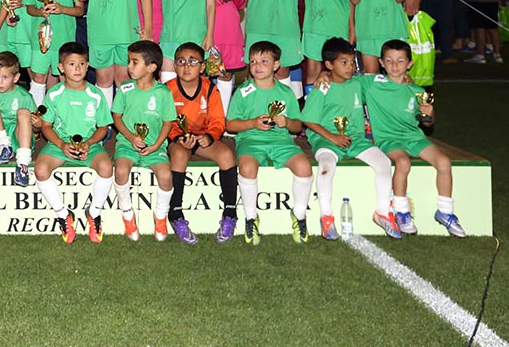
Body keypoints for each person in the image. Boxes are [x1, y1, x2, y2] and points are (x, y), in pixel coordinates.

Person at [364, 40, 465, 237]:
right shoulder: (371, 83)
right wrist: (324, 74)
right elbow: (344, 79)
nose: (394, 65)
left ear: (409, 64)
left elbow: (427, 124)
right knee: (402, 162)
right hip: (388, 139)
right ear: (381, 63)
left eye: (400, 61)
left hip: (414, 137)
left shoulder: (418, 91)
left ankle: (445, 211)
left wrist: (430, 113)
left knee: (444, 162)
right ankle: (401, 211)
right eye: (389, 60)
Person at [304, 38, 401, 240]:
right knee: (326, 166)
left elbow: (385, 80)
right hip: (326, 139)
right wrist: (331, 136)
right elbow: (308, 120)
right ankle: (326, 217)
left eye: (352, 62)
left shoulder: (358, 83)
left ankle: (383, 212)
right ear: (329, 65)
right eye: (344, 62)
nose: (350, 67)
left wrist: (404, 78)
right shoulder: (322, 87)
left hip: (355, 138)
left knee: (383, 162)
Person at [225, 41, 312, 245]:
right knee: (246, 167)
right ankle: (250, 217)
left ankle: (299, 215)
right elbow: (230, 125)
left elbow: (297, 125)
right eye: (253, 61)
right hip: (251, 141)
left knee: (304, 166)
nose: (257, 65)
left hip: (281, 142)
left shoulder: (286, 92)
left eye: (264, 61)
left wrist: (287, 122)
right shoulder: (243, 91)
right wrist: (253, 123)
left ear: (276, 65)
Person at [34, 42, 115, 244]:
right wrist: (61, 145)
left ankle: (94, 213)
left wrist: (89, 143)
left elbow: (103, 128)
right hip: (59, 144)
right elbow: (46, 126)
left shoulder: (95, 95)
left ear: (88, 66)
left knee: (106, 167)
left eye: (81, 64)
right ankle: (64, 215)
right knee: (41, 170)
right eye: (71, 64)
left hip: (90, 144)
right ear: (61, 67)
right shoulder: (54, 94)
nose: (77, 69)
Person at [165, 42, 237, 244]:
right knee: (179, 155)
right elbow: (165, 122)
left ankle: (230, 214)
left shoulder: (210, 89)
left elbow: (217, 121)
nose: (186, 67)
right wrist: (178, 137)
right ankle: (176, 214)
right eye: (181, 62)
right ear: (175, 66)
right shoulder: (167, 90)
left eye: (192, 62)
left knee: (226, 155)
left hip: (203, 137)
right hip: (179, 139)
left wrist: (210, 136)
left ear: (203, 67)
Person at [110, 40, 177, 242]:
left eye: (134, 62)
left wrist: (156, 145)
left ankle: (161, 215)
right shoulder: (125, 89)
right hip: (127, 144)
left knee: (166, 175)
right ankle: (128, 215)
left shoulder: (163, 93)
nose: (128, 67)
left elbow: (167, 122)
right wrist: (130, 137)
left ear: (151, 67)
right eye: (129, 61)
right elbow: (117, 117)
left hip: (155, 146)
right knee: (121, 170)